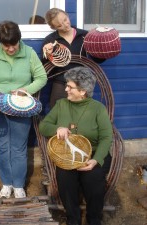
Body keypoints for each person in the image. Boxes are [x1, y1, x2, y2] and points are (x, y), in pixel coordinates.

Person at [39, 67, 113, 225]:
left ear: (83, 91)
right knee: (64, 179)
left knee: (93, 180)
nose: (65, 89)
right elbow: (43, 127)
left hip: (93, 154)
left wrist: (96, 160)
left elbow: (107, 137)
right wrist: (57, 129)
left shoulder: (98, 108)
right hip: (67, 156)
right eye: (66, 85)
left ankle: (94, 219)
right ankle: (73, 219)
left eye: (70, 87)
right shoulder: (61, 105)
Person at [0, 21, 47, 198]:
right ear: (0, 42)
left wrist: (25, 91)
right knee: (3, 147)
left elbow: (41, 78)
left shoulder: (29, 53)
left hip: (21, 108)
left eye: (14, 44)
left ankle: (18, 185)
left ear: (19, 39)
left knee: (18, 148)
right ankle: (6, 183)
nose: (11, 49)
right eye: (6, 45)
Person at [41, 8, 105, 108]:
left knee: (83, 116)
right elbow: (44, 68)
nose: (65, 25)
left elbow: (97, 59)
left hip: (82, 83)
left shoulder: (84, 36)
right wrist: (48, 55)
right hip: (61, 84)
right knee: (59, 115)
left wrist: (101, 48)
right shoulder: (50, 40)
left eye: (65, 20)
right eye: (59, 25)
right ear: (54, 27)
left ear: (67, 15)